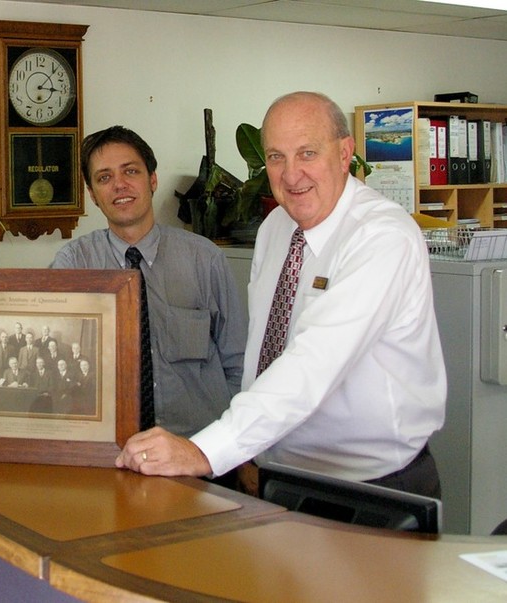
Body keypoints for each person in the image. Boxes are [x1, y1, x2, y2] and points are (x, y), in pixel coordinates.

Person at [115, 92, 446, 498]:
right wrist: (251, 455)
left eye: (307, 153)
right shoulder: (276, 228)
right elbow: (264, 348)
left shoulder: (381, 238)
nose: (291, 175)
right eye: (276, 157)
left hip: (374, 487)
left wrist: (207, 450)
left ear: (345, 154)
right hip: (284, 477)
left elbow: (315, 362)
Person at [52, 125, 246, 442]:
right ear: (92, 195)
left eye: (130, 171)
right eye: (104, 177)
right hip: (109, 451)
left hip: (198, 451)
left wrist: (235, 446)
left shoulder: (205, 260)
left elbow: (238, 362)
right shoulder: (73, 265)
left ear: (152, 180)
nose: (119, 185)